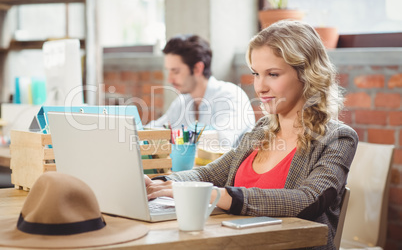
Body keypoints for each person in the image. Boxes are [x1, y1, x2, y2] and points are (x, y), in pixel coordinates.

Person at [145, 20, 358, 249]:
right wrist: (162, 183)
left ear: (307, 74)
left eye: (273, 74)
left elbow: (308, 200)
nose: (260, 87)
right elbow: (210, 173)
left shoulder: (338, 138)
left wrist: (217, 196)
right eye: (256, 74)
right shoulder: (262, 130)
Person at [145, 34, 255, 148]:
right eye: (168, 71)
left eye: (176, 71)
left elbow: (218, 143)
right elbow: (152, 131)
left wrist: (173, 139)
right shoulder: (182, 103)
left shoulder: (231, 96)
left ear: (198, 68)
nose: (169, 79)